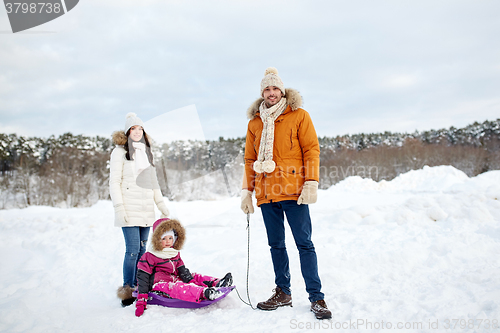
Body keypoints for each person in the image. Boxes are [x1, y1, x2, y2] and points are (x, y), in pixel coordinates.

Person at [240, 67, 331, 320]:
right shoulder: (255, 122)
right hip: (267, 193)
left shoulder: (299, 116)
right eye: (267, 89)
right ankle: (283, 292)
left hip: (294, 192)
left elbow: (311, 150)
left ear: (283, 91)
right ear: (262, 93)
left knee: (304, 244)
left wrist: (311, 182)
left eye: (275, 88)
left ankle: (317, 297)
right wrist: (247, 192)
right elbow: (249, 159)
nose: (271, 93)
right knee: (276, 245)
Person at [110, 112, 170, 307]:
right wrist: (119, 208)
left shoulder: (146, 153)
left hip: (146, 210)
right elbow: (114, 182)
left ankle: (139, 286)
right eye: (133, 128)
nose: (137, 131)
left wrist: (161, 205)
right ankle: (128, 290)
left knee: (143, 250)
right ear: (127, 132)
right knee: (133, 250)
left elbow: (153, 184)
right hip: (128, 209)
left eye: (140, 128)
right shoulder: (119, 152)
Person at [134, 218, 233, 317]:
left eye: (170, 238)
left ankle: (217, 282)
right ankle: (204, 293)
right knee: (178, 288)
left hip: (174, 278)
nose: (168, 242)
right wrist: (141, 299)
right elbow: (143, 277)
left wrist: (192, 281)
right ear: (157, 239)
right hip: (158, 285)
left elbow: (181, 270)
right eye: (164, 239)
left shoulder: (174, 252)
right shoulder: (149, 256)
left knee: (194, 275)